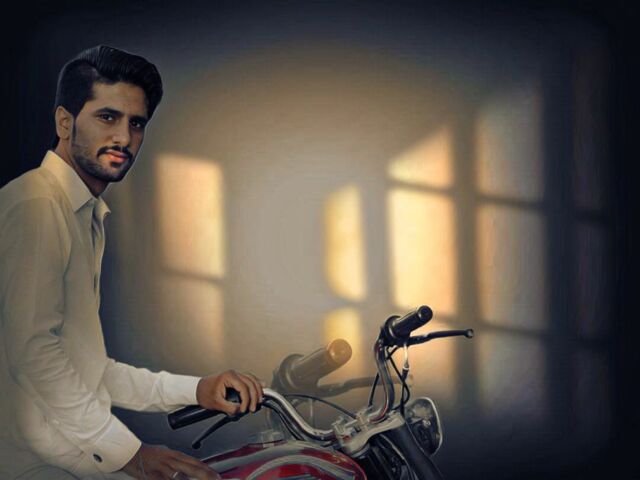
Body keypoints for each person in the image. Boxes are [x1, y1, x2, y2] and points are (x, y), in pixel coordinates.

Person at [0, 45, 262, 480]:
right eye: (107, 117)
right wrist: (131, 454)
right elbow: (32, 355)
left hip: (66, 459)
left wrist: (198, 389)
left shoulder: (82, 213)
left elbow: (88, 370)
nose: (124, 137)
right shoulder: (36, 205)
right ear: (64, 122)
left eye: (136, 123)